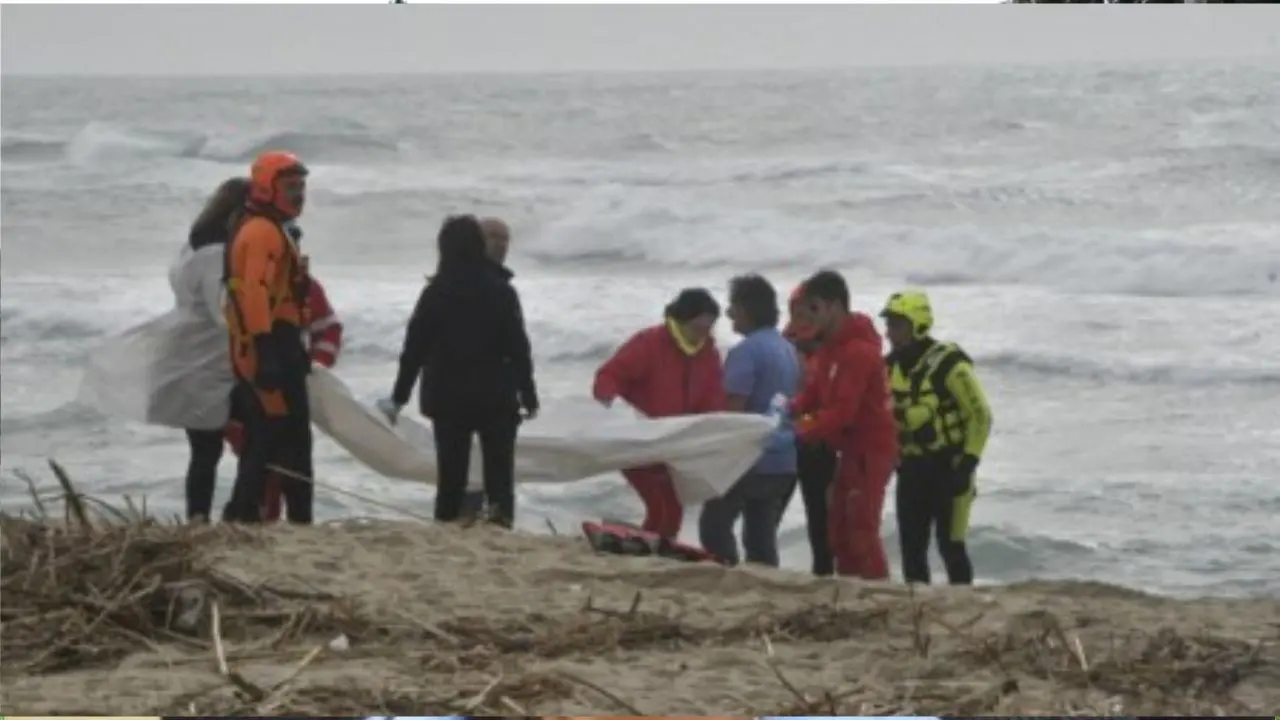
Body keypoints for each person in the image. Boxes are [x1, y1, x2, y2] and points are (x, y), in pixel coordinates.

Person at [378, 214, 538, 528]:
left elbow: (414, 350)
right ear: (480, 245)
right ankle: (499, 527)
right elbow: (519, 348)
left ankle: (446, 526)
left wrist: (398, 397)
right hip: (495, 397)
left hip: (447, 398)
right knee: (499, 478)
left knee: (450, 478)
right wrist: (528, 394)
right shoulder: (501, 292)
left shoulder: (435, 293)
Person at [221, 150, 315, 524]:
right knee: (279, 438)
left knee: (276, 437)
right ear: (266, 188)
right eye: (291, 187)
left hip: (278, 341)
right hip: (267, 345)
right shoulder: (261, 233)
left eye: (302, 187)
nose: (299, 195)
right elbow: (253, 292)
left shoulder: (273, 229)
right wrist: (267, 350)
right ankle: (263, 516)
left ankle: (254, 514)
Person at [592, 288, 726, 539]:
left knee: (672, 510)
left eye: (709, 328)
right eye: (698, 328)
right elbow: (608, 376)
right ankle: (652, 548)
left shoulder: (708, 354)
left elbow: (713, 400)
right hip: (638, 442)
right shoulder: (650, 343)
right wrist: (611, 402)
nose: (703, 335)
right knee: (663, 507)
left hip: (674, 446)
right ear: (681, 320)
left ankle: (653, 548)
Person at [790, 270, 898, 580]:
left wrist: (801, 429)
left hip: (871, 451)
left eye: (815, 308)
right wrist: (790, 408)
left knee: (861, 529)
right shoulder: (830, 347)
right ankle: (852, 590)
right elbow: (815, 392)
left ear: (834, 306)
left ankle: (879, 593)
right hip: (849, 449)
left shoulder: (859, 352)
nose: (810, 317)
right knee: (837, 529)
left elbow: (842, 411)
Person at [881, 290, 992, 585]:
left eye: (897, 325)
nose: (890, 333)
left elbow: (980, 415)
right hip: (912, 469)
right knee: (911, 549)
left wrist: (968, 463)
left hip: (951, 468)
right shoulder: (888, 367)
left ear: (917, 325)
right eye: (889, 325)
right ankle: (917, 609)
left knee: (951, 546)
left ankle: (964, 602)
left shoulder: (949, 365)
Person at [224, 248, 344, 522]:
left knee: (292, 465)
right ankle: (258, 520)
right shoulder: (244, 290)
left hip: (290, 388)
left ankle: (296, 525)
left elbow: (329, 328)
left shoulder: (305, 288)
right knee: (258, 465)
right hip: (247, 392)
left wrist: (317, 365)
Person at [697, 274, 801, 567]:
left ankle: (726, 576)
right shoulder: (787, 349)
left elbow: (735, 414)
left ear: (746, 309)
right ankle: (764, 581)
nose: (728, 314)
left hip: (750, 459)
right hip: (783, 457)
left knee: (714, 528)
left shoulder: (745, 352)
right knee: (760, 536)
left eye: (733, 307)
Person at [170, 177, 248, 522]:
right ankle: (235, 513)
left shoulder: (192, 248)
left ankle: (197, 519)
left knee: (203, 449)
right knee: (249, 440)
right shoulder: (218, 255)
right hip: (214, 361)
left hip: (189, 354)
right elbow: (224, 315)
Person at [781, 282, 838, 576]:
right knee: (771, 512)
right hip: (787, 438)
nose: (804, 314)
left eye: (811, 308)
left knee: (820, 515)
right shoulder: (784, 341)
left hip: (820, 441)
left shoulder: (831, 345)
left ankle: (824, 572)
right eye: (798, 308)